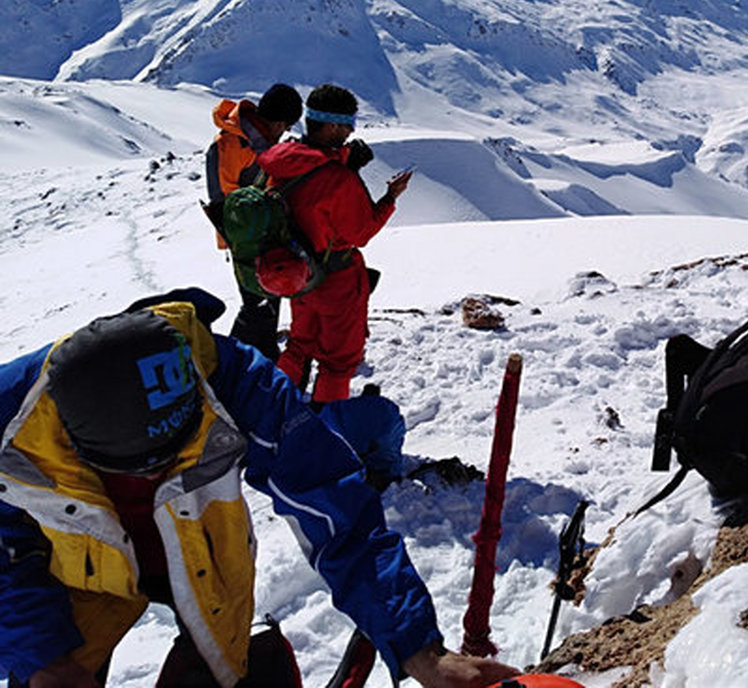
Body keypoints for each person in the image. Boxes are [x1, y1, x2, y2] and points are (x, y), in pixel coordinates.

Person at [0, 289, 519, 688]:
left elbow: (337, 512)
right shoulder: (11, 419)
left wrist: (420, 649)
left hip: (204, 548)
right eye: (141, 471)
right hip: (67, 568)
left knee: (219, 667)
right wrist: (43, 655)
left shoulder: (238, 385)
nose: (158, 483)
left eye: (175, 462)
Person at [257, 84, 411, 404]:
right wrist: (389, 198)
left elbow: (310, 181)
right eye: (347, 125)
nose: (349, 133)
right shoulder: (338, 179)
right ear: (331, 125)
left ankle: (276, 409)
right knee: (338, 363)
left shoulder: (283, 161)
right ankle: (328, 428)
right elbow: (361, 232)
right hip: (337, 280)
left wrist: (345, 161)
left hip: (299, 274)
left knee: (299, 346)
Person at [205, 83, 304, 360]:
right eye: (284, 126)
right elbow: (226, 200)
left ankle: (263, 355)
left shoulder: (255, 141)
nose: (284, 132)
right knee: (257, 303)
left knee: (268, 299)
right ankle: (226, 361)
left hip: (262, 235)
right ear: (277, 122)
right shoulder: (231, 144)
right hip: (246, 239)